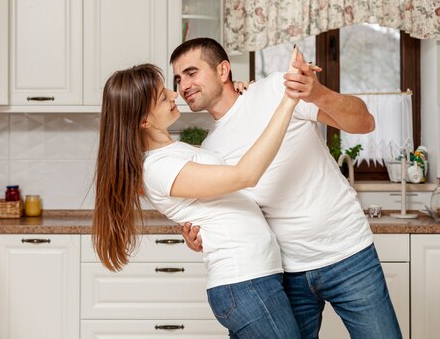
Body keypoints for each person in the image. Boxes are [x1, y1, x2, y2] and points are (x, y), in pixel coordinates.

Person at [172, 37, 401, 339]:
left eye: (191, 72)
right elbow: (232, 212)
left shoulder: (273, 90)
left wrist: (317, 92)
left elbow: (364, 122)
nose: (183, 85)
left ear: (223, 70)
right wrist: (198, 236)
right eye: (177, 79)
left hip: (349, 254)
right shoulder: (211, 149)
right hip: (285, 272)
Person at [93, 48, 307, 338]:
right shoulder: (159, 167)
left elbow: (211, 203)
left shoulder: (173, 151)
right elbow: (245, 175)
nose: (174, 94)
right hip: (244, 282)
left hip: (253, 278)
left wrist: (238, 94)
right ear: (145, 121)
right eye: (161, 96)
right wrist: (288, 101)